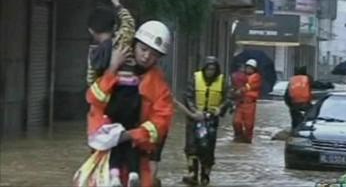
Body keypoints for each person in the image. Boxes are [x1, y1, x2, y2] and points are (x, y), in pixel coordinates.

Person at [86, 20, 174, 187]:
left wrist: (130, 135)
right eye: (143, 49)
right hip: (107, 155)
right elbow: (95, 102)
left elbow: (161, 123)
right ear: (134, 45)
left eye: (154, 54)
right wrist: (112, 69)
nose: (147, 56)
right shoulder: (114, 71)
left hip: (139, 159)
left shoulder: (159, 86)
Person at [182, 56, 228, 186]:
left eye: (213, 69)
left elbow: (227, 98)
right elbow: (188, 96)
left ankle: (205, 175)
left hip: (211, 120)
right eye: (208, 69)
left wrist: (220, 108)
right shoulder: (195, 78)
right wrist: (194, 111)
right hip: (194, 118)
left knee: (208, 149)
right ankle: (192, 173)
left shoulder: (222, 81)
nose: (210, 72)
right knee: (191, 147)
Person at [232, 59, 262, 143]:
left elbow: (248, 86)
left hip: (250, 104)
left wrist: (240, 89)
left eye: (250, 68)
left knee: (249, 124)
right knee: (236, 122)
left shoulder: (256, 77)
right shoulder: (241, 76)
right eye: (247, 67)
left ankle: (247, 140)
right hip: (240, 103)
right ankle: (238, 136)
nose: (248, 69)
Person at [284, 66, 313, 130]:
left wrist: (290, 106)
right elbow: (317, 86)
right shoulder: (308, 79)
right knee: (308, 121)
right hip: (306, 105)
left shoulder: (292, 81)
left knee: (295, 123)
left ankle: (294, 132)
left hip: (294, 106)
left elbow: (286, 96)